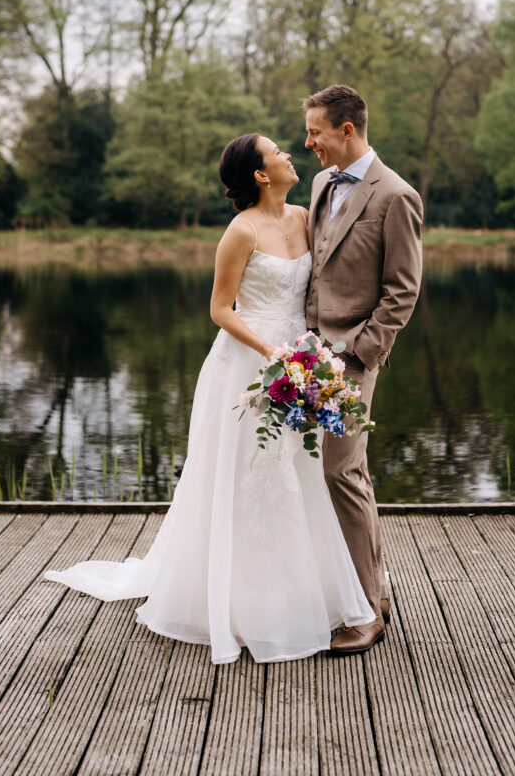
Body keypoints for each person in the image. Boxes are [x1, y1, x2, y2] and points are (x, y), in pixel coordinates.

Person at [44, 132, 373, 665]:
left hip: (302, 361)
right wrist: (270, 350)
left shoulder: (304, 219)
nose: (290, 154)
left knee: (295, 473)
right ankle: (237, 601)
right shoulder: (240, 232)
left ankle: (297, 594)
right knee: (245, 473)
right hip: (247, 365)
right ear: (261, 175)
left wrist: (310, 356)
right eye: (277, 153)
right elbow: (221, 309)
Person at [304, 85, 423, 655]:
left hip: (354, 358)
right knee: (342, 474)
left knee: (341, 473)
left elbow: (401, 293)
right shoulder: (322, 183)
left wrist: (358, 353)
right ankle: (368, 588)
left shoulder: (396, 196)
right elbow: (319, 267)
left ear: (346, 130)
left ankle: (368, 612)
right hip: (307, 355)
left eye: (316, 133)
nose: (309, 144)